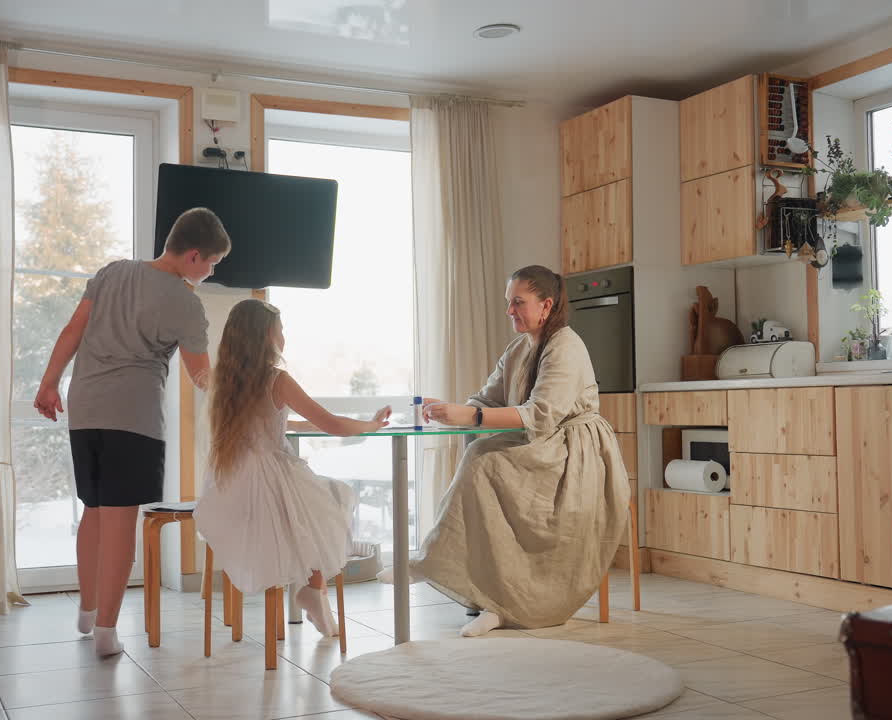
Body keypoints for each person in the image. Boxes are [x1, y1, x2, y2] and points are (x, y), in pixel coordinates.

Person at [389, 264, 630, 637]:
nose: (510, 311)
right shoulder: (520, 347)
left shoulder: (565, 346)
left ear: (546, 306)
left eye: (518, 302)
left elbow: (541, 413)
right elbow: (486, 400)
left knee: (483, 462)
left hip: (575, 453)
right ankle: (493, 597)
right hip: (543, 445)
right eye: (509, 303)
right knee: (482, 460)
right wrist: (451, 410)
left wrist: (469, 414)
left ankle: (450, 573)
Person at [33, 207, 227, 656]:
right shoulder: (185, 302)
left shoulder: (112, 273)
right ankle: (106, 632)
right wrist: (238, 397)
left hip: (85, 407)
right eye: (212, 263)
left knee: (95, 510)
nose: (211, 272)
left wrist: (48, 383)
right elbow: (202, 377)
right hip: (132, 414)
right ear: (194, 255)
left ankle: (87, 610)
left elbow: (72, 330)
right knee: (121, 519)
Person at [194, 299, 391, 636]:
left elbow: (278, 420)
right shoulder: (276, 379)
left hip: (228, 485)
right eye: (281, 330)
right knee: (332, 500)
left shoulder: (222, 380)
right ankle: (313, 591)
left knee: (307, 511)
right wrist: (371, 426)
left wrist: (299, 425)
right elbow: (330, 423)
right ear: (266, 336)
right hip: (269, 477)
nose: (284, 337)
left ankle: (313, 592)